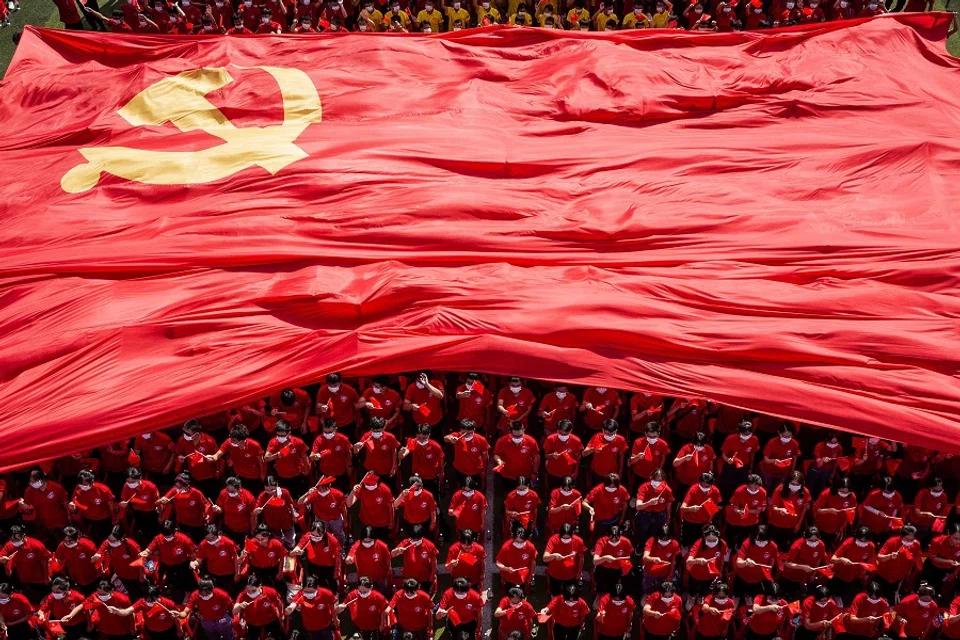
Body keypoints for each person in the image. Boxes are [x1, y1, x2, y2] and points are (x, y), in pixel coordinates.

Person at [141, 520, 197, 603]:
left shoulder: (184, 540)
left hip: (183, 566)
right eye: (165, 536)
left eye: (169, 535)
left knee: (189, 584)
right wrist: (144, 553)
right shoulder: (158, 538)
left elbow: (192, 554)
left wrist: (193, 562)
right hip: (168, 567)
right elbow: (149, 549)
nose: (167, 538)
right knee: (175, 587)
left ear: (175, 531)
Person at [208, 425, 266, 497]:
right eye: (231, 438)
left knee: (254, 495)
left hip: (254, 476)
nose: (231, 441)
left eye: (234, 440)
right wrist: (213, 457)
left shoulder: (255, 445)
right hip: (239, 475)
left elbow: (261, 460)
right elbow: (219, 453)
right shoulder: (228, 442)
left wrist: (262, 473)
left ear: (241, 440)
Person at [0, 525, 52, 604]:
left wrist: (46, 576)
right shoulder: (9, 545)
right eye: (12, 539)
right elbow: (1, 556)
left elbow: (46, 561)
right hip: (24, 578)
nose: (14, 541)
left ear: (23, 536)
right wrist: (1, 559)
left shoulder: (36, 545)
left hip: (40, 579)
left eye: (17, 539)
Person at [829, 526, 876, 605]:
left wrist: (865, 573)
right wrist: (842, 559)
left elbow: (869, 562)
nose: (862, 542)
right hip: (840, 576)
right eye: (860, 540)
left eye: (865, 541)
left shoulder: (871, 546)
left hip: (855, 578)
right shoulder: (848, 543)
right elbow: (832, 559)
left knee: (850, 602)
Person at [290, 520, 341, 593]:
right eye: (313, 535)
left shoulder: (332, 541)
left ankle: (333, 593)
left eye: (317, 536)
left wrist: (337, 571)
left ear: (324, 533)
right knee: (318, 580)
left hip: (328, 566)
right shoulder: (307, 537)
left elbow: (337, 556)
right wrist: (296, 550)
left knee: (331, 581)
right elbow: (300, 544)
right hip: (313, 563)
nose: (315, 537)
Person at [264, 420, 311, 499]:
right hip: (282, 476)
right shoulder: (274, 442)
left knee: (300, 496)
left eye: (283, 436)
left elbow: (304, 456)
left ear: (289, 433)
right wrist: (277, 455)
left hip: (298, 475)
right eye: (278, 435)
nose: (280, 438)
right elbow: (266, 458)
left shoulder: (298, 442)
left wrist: (307, 470)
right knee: (287, 497)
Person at [158, 472, 210, 541]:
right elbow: (164, 498)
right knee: (183, 540)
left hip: (197, 523)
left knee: (198, 540)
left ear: (186, 485)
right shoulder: (174, 490)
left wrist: (207, 514)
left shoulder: (196, 493)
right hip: (182, 522)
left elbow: (206, 504)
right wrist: (162, 500)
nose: (177, 487)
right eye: (176, 485)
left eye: (179, 486)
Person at [875, 525, 921, 603]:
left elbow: (915, 559)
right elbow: (879, 557)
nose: (909, 542)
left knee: (891, 601)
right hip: (883, 576)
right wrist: (889, 556)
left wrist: (909, 573)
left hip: (898, 579)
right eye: (906, 539)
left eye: (912, 539)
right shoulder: (892, 542)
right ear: (901, 536)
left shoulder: (916, 545)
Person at [780, 526, 828, 601]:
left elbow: (819, 559)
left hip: (807, 574)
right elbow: (787, 563)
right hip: (793, 574)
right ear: (805, 538)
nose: (813, 542)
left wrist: (813, 574)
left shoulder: (821, 545)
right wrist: (803, 567)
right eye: (811, 540)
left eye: (816, 540)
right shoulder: (797, 546)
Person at [98, 526, 143, 602]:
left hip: (133, 576)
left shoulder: (132, 546)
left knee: (138, 593)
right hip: (121, 575)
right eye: (110, 540)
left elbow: (141, 561)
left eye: (114, 541)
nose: (111, 542)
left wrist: (142, 576)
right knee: (130, 592)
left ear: (122, 538)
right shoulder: (108, 544)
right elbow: (101, 553)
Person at [767, 472, 811, 550]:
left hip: (792, 525)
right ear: (788, 482)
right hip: (776, 523)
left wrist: (799, 524)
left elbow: (804, 509)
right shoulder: (780, 490)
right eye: (792, 484)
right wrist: (780, 509)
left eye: (797, 484)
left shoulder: (805, 492)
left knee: (785, 547)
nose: (795, 486)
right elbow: (773, 507)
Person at [285, 576, 338, 640]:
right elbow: (293, 604)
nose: (309, 594)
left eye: (311, 592)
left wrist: (335, 619)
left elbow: (333, 605)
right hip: (311, 626)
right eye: (306, 592)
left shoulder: (326, 593)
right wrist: (289, 609)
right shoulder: (300, 595)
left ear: (317, 588)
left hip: (325, 624)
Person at [685, 525, 727, 606]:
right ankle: (691, 597)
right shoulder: (699, 543)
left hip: (711, 575)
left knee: (705, 590)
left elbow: (722, 559)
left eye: (714, 540)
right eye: (709, 540)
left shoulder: (722, 544)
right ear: (704, 537)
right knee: (693, 589)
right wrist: (697, 560)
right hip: (696, 574)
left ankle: (701, 597)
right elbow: (688, 561)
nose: (711, 542)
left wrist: (720, 572)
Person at [734, 524, 778, 600]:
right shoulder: (747, 543)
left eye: (763, 541)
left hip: (758, 579)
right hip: (743, 577)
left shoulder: (773, 546)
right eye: (758, 540)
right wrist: (746, 562)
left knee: (750, 599)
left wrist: (769, 569)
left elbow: (772, 559)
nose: (761, 543)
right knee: (736, 597)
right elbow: (738, 563)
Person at [69, 469, 115, 542]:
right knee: (95, 537)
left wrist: (114, 518)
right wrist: (72, 507)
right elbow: (75, 504)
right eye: (80, 484)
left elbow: (111, 505)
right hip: (89, 518)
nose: (82, 487)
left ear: (92, 481)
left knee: (108, 536)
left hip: (104, 518)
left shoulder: (103, 490)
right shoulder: (78, 489)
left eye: (85, 484)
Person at [346, 473, 395, 542]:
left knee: (382, 543)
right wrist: (352, 492)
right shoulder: (362, 488)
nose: (367, 486)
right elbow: (349, 504)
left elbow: (390, 506)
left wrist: (391, 521)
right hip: (367, 522)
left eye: (369, 484)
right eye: (366, 484)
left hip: (382, 523)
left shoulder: (385, 490)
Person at [679, 471, 722, 549]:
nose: (704, 487)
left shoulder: (715, 491)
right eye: (702, 485)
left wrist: (709, 522)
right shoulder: (693, 490)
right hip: (690, 522)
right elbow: (682, 508)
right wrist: (690, 509)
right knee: (686, 543)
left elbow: (715, 509)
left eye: (707, 486)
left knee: (700, 544)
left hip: (704, 523)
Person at [400, 425, 444, 499]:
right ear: (416, 435)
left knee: (433, 496)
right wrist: (401, 453)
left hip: (432, 476)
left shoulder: (436, 446)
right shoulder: (412, 442)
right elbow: (403, 455)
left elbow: (441, 459)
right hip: (418, 477)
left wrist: (441, 472)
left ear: (429, 435)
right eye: (419, 437)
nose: (421, 440)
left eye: (424, 438)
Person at [493, 422, 540, 492]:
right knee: (508, 494)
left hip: (525, 474)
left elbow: (536, 457)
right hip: (507, 474)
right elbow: (496, 455)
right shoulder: (502, 441)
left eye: (520, 435)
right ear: (510, 432)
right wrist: (499, 461)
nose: (517, 438)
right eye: (515, 436)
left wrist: (535, 472)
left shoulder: (531, 441)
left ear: (523, 431)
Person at [633, 469, 674, 549]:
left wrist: (668, 518)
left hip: (659, 516)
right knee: (642, 533)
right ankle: (641, 546)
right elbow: (638, 506)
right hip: (645, 515)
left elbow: (669, 506)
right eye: (655, 479)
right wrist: (649, 503)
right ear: (651, 477)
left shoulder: (667, 490)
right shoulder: (644, 487)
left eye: (660, 480)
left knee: (655, 534)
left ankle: (651, 548)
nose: (657, 482)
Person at [234, 575, 284, 640]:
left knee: (279, 636)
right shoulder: (242, 595)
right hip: (253, 623)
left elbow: (279, 603)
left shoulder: (270, 592)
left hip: (271, 620)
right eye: (248, 590)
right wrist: (240, 606)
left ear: (260, 586)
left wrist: (281, 615)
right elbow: (234, 611)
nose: (250, 593)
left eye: (253, 590)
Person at [718, 421, 760, 500]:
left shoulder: (754, 440)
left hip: (744, 467)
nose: (747, 436)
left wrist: (751, 467)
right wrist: (727, 460)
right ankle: (723, 500)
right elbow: (723, 454)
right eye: (744, 434)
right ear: (740, 432)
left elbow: (752, 454)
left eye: (749, 434)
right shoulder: (730, 439)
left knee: (739, 485)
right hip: (730, 465)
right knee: (726, 484)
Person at [55, 526, 102, 595]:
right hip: (77, 579)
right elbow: (58, 559)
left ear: (77, 538)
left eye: (71, 540)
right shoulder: (62, 546)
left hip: (93, 578)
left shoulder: (87, 545)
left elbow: (97, 559)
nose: (68, 543)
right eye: (65, 540)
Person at [310, 419, 354, 494]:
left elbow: (348, 452)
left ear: (335, 429)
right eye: (325, 432)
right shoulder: (318, 440)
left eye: (330, 432)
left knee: (343, 492)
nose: (327, 434)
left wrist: (350, 466)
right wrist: (315, 456)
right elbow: (311, 456)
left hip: (341, 472)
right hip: (325, 472)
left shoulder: (343, 439)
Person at [392, 524, 438, 592]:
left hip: (424, 578)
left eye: (418, 539)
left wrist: (432, 576)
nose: (415, 540)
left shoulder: (429, 545)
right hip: (408, 577)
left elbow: (434, 562)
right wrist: (397, 551)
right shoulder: (405, 543)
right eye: (413, 539)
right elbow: (392, 555)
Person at [254, 476, 297, 548]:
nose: (270, 492)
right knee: (277, 539)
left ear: (277, 485)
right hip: (272, 523)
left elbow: (290, 504)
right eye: (267, 490)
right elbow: (256, 509)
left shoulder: (285, 492)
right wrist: (257, 511)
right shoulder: (263, 496)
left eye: (272, 490)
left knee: (290, 539)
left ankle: (290, 548)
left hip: (286, 521)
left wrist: (293, 516)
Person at [726, 474, 766, 550]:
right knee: (730, 538)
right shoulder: (739, 491)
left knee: (744, 539)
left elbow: (759, 510)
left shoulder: (762, 493)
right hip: (735, 519)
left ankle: (739, 549)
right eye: (751, 487)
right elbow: (734, 507)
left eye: (756, 488)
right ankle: (728, 551)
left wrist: (746, 511)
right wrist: (740, 511)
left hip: (751, 521)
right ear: (747, 485)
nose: (753, 490)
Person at [347, 527, 392, 595]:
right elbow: (350, 555)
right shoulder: (357, 545)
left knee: (382, 592)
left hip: (380, 576)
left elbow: (388, 560)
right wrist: (349, 559)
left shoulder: (382, 546)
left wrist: (389, 571)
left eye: (369, 541)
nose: (367, 543)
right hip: (364, 578)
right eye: (365, 541)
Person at [119, 467, 160, 542]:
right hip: (137, 511)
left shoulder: (150, 487)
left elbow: (158, 502)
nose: (130, 484)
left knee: (153, 529)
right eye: (128, 481)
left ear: (140, 478)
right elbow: (124, 499)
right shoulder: (126, 486)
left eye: (133, 482)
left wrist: (160, 514)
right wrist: (123, 503)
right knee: (142, 527)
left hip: (150, 512)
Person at [214, 476, 257, 547]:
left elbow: (253, 515)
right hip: (228, 528)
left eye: (232, 491)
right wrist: (217, 509)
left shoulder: (248, 497)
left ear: (239, 488)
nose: (230, 493)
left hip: (243, 530)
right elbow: (220, 508)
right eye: (228, 491)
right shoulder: (223, 493)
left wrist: (253, 529)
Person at [445, 420, 489, 488]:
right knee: (462, 487)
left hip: (476, 470)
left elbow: (485, 456)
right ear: (460, 430)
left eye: (469, 432)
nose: (466, 434)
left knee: (475, 488)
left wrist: (484, 470)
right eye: (464, 432)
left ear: (474, 429)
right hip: (460, 469)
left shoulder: (481, 440)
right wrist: (451, 439)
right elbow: (446, 438)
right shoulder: (457, 436)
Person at [242, 524, 286, 590]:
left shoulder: (275, 544)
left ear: (268, 536)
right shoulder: (252, 543)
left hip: (273, 569)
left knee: (280, 585)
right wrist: (242, 555)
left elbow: (282, 558)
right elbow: (245, 557)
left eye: (263, 539)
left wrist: (280, 572)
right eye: (257, 539)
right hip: (258, 570)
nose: (260, 542)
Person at [593, 525, 634, 596]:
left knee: (612, 585)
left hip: (617, 570)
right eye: (611, 539)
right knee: (600, 583)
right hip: (602, 568)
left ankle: (607, 596)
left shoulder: (626, 542)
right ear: (607, 535)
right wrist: (605, 558)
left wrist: (625, 568)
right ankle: (599, 595)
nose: (614, 540)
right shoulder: (601, 541)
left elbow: (629, 556)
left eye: (616, 539)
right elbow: (595, 561)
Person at [583, 420, 627, 485]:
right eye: (607, 434)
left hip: (612, 474)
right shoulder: (596, 437)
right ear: (602, 430)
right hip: (596, 472)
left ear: (616, 431)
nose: (609, 436)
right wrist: (593, 449)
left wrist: (620, 473)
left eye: (611, 434)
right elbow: (584, 454)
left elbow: (622, 456)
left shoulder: (621, 440)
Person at [543, 420, 583, 489]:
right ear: (557, 430)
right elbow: (545, 456)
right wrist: (552, 455)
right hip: (552, 472)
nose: (563, 436)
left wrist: (576, 471)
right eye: (561, 433)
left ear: (570, 431)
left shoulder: (576, 441)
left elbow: (578, 457)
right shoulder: (550, 439)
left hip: (568, 473)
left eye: (565, 434)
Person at [496, 528, 536, 592]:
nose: (519, 544)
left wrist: (531, 574)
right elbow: (498, 563)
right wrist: (507, 569)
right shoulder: (506, 547)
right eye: (517, 541)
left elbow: (533, 561)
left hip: (523, 576)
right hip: (508, 577)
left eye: (522, 542)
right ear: (513, 538)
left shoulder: (531, 547)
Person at [642, 525, 679, 595]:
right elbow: (645, 557)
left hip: (664, 573)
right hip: (650, 571)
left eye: (666, 539)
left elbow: (673, 562)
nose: (664, 541)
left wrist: (670, 576)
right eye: (662, 539)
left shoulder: (674, 544)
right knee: (647, 587)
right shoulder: (651, 541)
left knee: (661, 590)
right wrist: (653, 559)